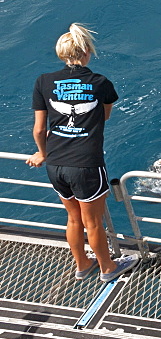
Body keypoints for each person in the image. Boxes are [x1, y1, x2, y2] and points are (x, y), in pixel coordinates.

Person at [27, 24, 138, 282]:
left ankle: (82, 265)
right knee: (93, 223)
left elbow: (38, 129)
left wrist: (42, 153)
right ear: (87, 51)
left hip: (55, 163)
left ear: (61, 53)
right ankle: (108, 269)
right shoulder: (100, 83)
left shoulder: (44, 81)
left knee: (73, 219)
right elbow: (105, 115)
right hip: (87, 163)